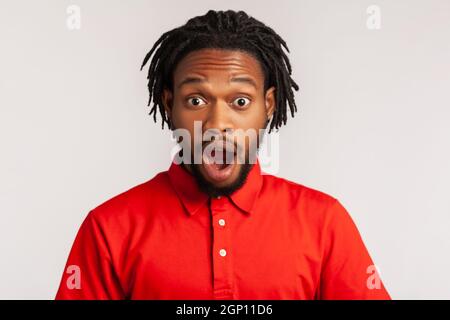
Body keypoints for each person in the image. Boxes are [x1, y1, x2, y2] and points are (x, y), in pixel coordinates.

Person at [55, 9, 391, 300]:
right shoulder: (109, 228)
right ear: (169, 104)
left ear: (268, 106)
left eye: (240, 101)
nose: (217, 124)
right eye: (196, 100)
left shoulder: (324, 223)